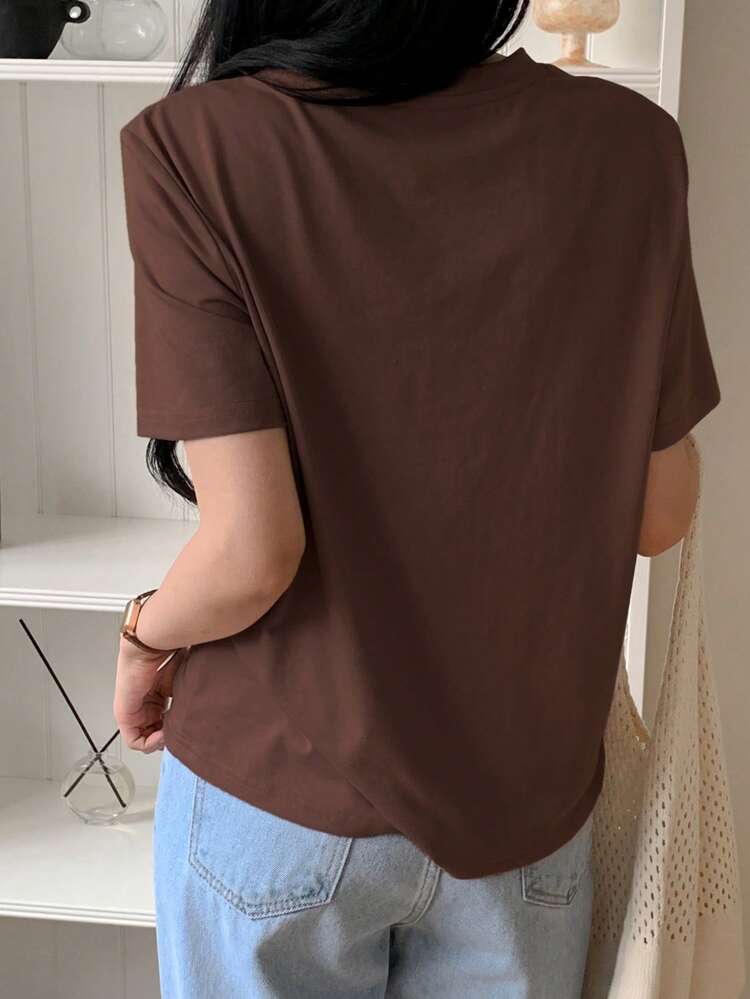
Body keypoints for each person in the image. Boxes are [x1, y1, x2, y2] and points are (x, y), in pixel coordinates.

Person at [113, 1, 721, 996]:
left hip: (279, 791)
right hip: (522, 810)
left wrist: (143, 635)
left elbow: (251, 554)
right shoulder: (626, 144)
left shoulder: (198, 147)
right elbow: (661, 514)